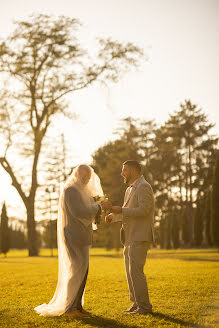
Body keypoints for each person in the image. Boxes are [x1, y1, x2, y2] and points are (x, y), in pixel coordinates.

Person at [34, 164, 111, 317]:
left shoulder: (83, 191)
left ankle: (77, 306)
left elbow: (87, 211)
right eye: (83, 176)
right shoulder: (71, 190)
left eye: (88, 177)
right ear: (76, 174)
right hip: (73, 235)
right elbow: (77, 211)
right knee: (75, 271)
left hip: (82, 235)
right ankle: (70, 309)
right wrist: (99, 208)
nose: (85, 179)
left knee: (83, 271)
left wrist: (97, 209)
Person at [105, 160, 155, 315]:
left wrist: (121, 209)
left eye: (124, 170)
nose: (122, 173)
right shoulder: (129, 189)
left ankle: (145, 307)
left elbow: (144, 210)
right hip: (128, 237)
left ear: (133, 170)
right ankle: (136, 303)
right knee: (130, 272)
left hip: (140, 236)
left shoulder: (144, 186)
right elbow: (127, 213)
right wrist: (113, 216)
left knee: (136, 272)